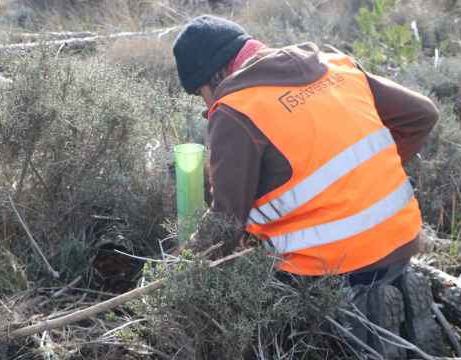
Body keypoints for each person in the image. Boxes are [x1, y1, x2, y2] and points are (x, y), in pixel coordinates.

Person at [172, 15, 444, 358]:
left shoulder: (236, 110)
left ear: (217, 76)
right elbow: (423, 116)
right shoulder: (335, 66)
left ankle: (345, 331)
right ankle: (395, 308)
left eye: (201, 94)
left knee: (257, 309)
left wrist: (181, 269)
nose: (205, 104)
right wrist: (374, 169)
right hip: (402, 242)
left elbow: (225, 224)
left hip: (334, 271)